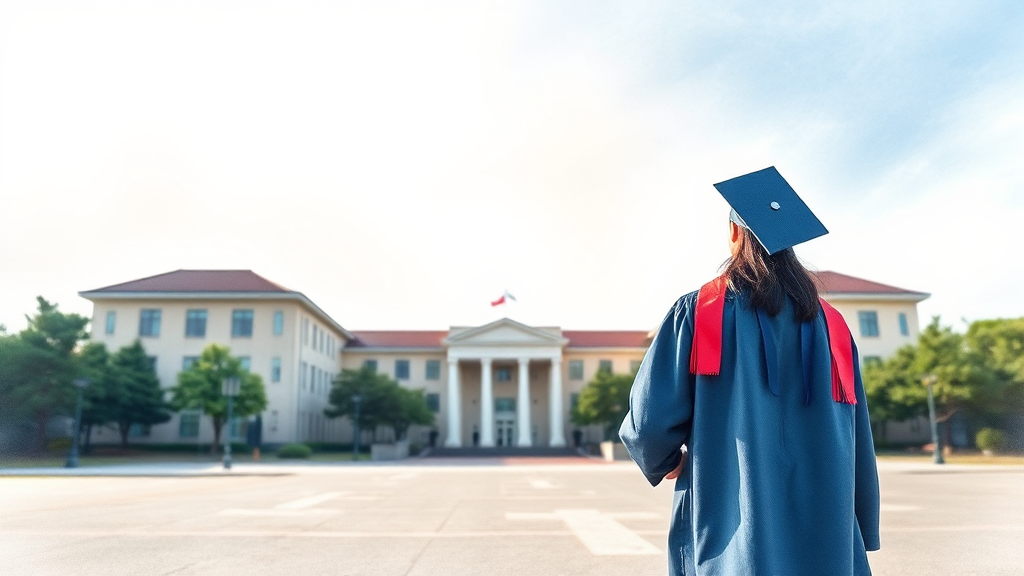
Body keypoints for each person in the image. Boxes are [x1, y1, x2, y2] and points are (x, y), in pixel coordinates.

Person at [619, 167, 880, 576]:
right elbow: (857, 435)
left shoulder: (701, 311)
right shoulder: (833, 326)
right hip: (828, 537)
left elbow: (648, 423)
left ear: (735, 235)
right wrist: (863, 522)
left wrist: (665, 459)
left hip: (732, 535)